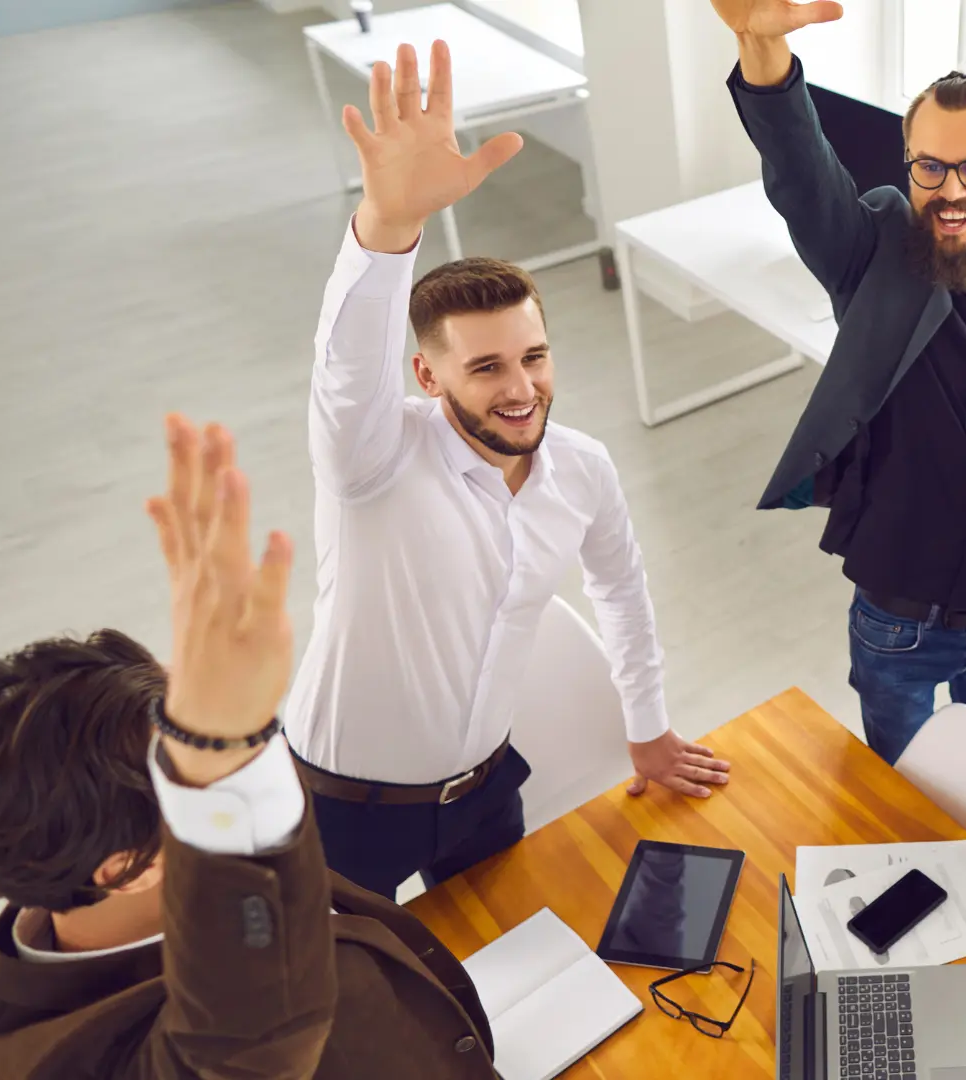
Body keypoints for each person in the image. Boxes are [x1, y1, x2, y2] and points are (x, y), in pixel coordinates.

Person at [289, 42, 725, 897]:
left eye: (534, 356)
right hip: (344, 813)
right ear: (427, 375)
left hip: (487, 796)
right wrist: (388, 231)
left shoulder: (582, 469)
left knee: (506, 973)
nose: (522, 390)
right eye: (486, 368)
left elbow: (623, 594)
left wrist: (648, 727)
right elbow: (346, 368)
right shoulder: (370, 461)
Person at [0, 415, 497, 1078]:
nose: (256, 766)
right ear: (126, 866)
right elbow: (242, 1036)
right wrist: (215, 744)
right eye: (203, 773)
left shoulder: (66, 848)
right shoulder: (86, 1060)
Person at [712, 0, 966, 764]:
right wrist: (760, 52)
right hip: (895, 618)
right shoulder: (874, 253)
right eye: (930, 166)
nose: (949, 190)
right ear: (909, 166)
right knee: (895, 793)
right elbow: (803, 175)